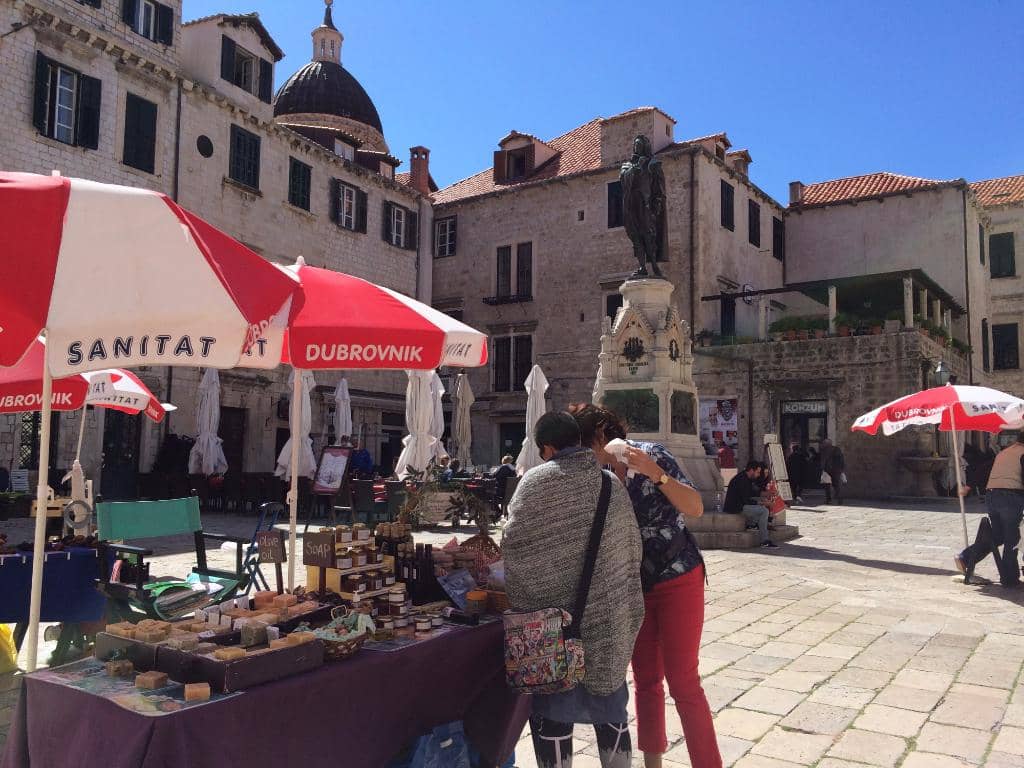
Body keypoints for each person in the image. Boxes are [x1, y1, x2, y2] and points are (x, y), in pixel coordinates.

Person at [570, 404, 722, 768]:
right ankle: (652, 762)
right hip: (634, 585)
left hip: (678, 575)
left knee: (683, 680)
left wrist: (657, 475)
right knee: (646, 680)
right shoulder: (594, 473)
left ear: (599, 435)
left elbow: (696, 507)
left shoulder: (650, 454)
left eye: (582, 443)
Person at [504, 411, 644, 768]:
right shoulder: (611, 485)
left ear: (548, 448)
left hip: (552, 628)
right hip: (608, 617)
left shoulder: (533, 483)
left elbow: (513, 544)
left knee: (552, 712)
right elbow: (630, 548)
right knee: (611, 709)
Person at [956, 432, 1024, 587]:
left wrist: (968, 487)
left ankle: (965, 557)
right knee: (1011, 539)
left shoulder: (1003, 453)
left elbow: (982, 469)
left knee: (998, 536)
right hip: (1010, 497)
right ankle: (1010, 579)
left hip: (992, 496)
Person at [724, 461, 777, 549]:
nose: (759, 474)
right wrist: (764, 503)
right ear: (752, 470)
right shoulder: (741, 480)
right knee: (764, 511)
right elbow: (747, 500)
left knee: (762, 503)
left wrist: (767, 494)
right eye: (758, 472)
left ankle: (752, 524)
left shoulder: (747, 478)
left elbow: (752, 493)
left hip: (742, 504)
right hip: (736, 507)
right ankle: (764, 541)